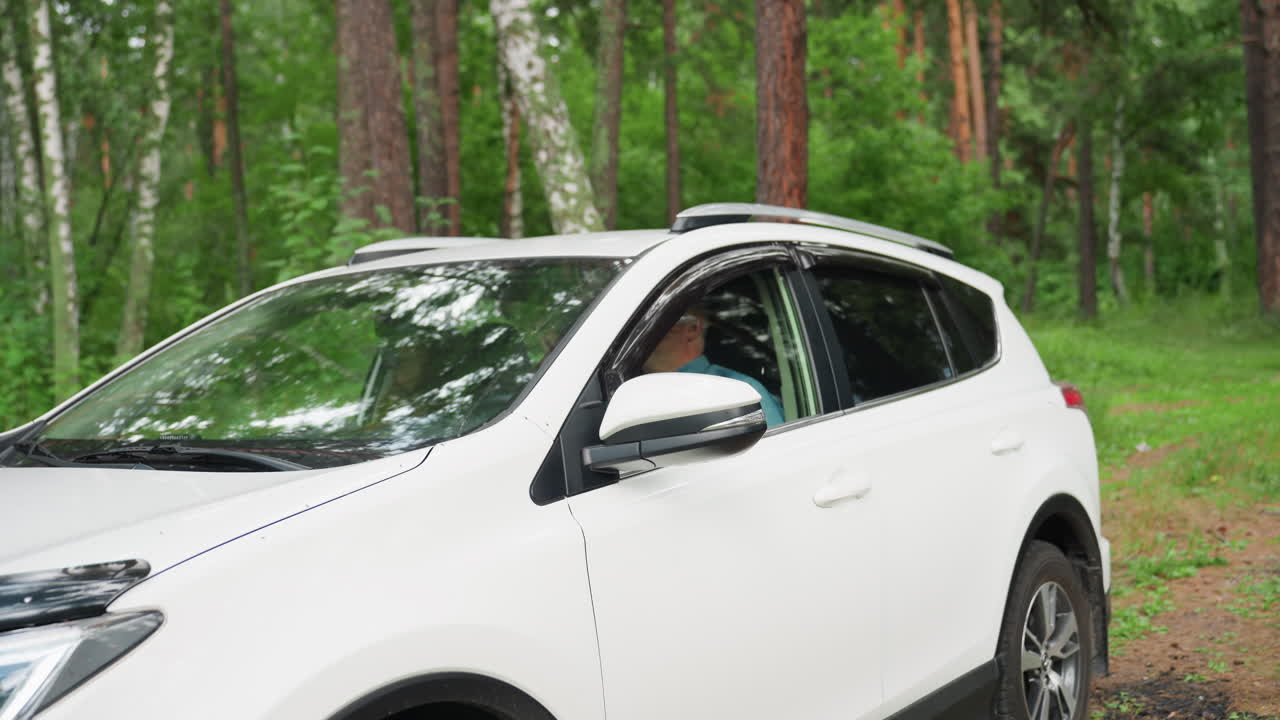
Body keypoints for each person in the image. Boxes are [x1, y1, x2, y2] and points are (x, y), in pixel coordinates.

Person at [642, 308, 785, 427]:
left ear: (692, 330)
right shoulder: (630, 389)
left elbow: (772, 455)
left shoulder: (740, 392)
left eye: (651, 321)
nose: (640, 333)